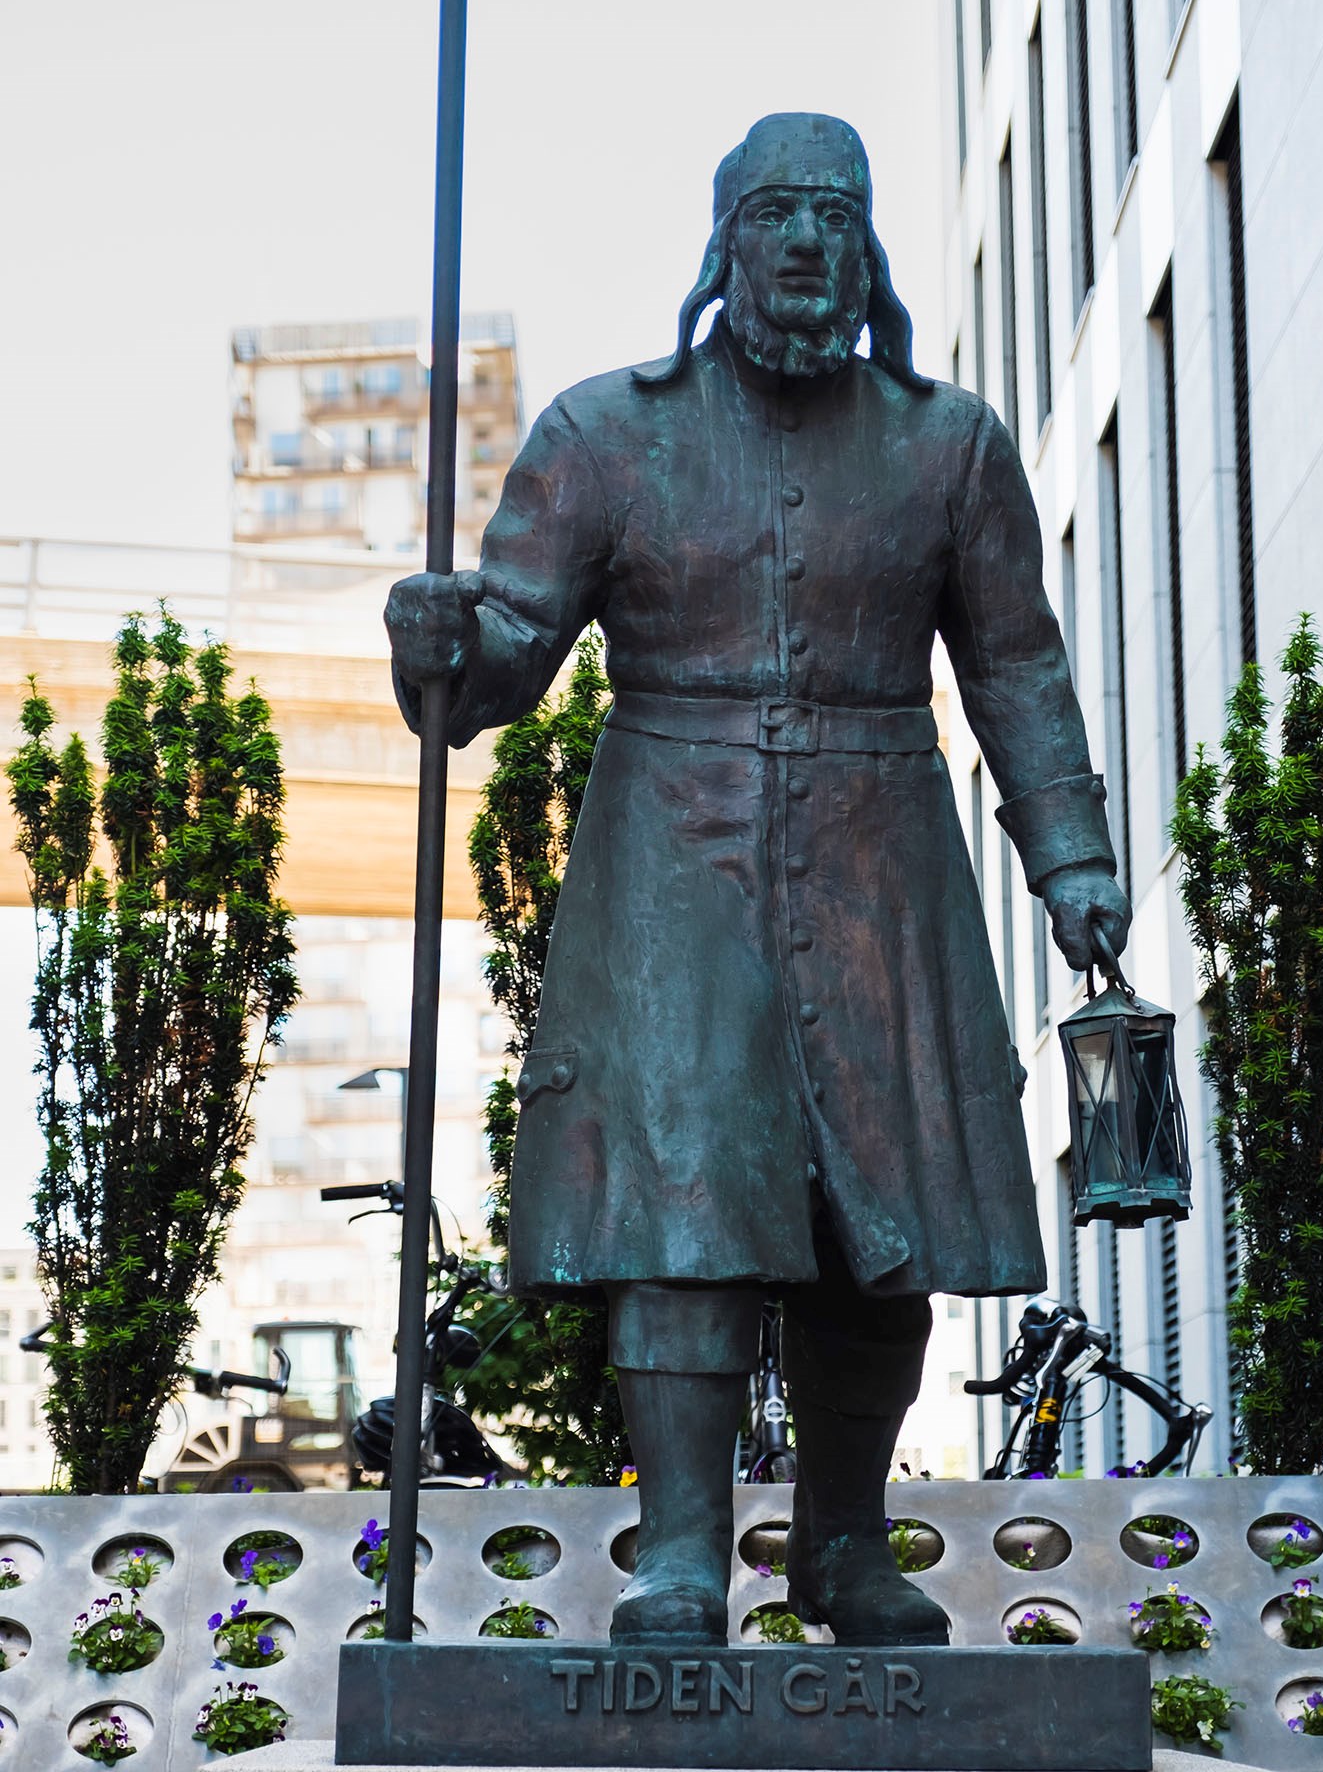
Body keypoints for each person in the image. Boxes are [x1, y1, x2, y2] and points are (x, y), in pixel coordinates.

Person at [386, 113, 1132, 1648]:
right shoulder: (604, 432)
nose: (807, 241)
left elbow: (1014, 666)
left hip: (883, 841)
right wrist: (439, 636)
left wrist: (1071, 857)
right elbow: (505, 667)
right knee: (684, 1205)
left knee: (884, 1215)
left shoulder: (951, 443)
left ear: (868, 247)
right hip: (671, 846)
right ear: (722, 242)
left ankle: (847, 1547)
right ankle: (677, 1554)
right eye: (777, 213)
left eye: (836, 215)